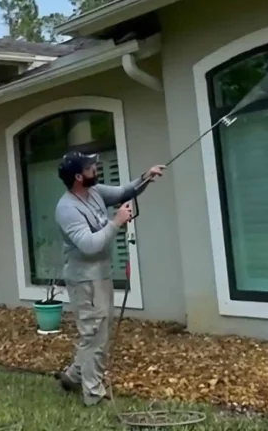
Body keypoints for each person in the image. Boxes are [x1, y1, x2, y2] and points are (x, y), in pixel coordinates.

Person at [53, 151, 165, 406]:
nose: (96, 168)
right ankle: (93, 395)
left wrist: (146, 177)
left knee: (96, 332)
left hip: (100, 274)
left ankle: (73, 376)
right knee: (95, 336)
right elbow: (89, 245)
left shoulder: (94, 192)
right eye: (91, 167)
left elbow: (124, 192)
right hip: (84, 281)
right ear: (79, 177)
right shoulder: (67, 209)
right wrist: (116, 222)